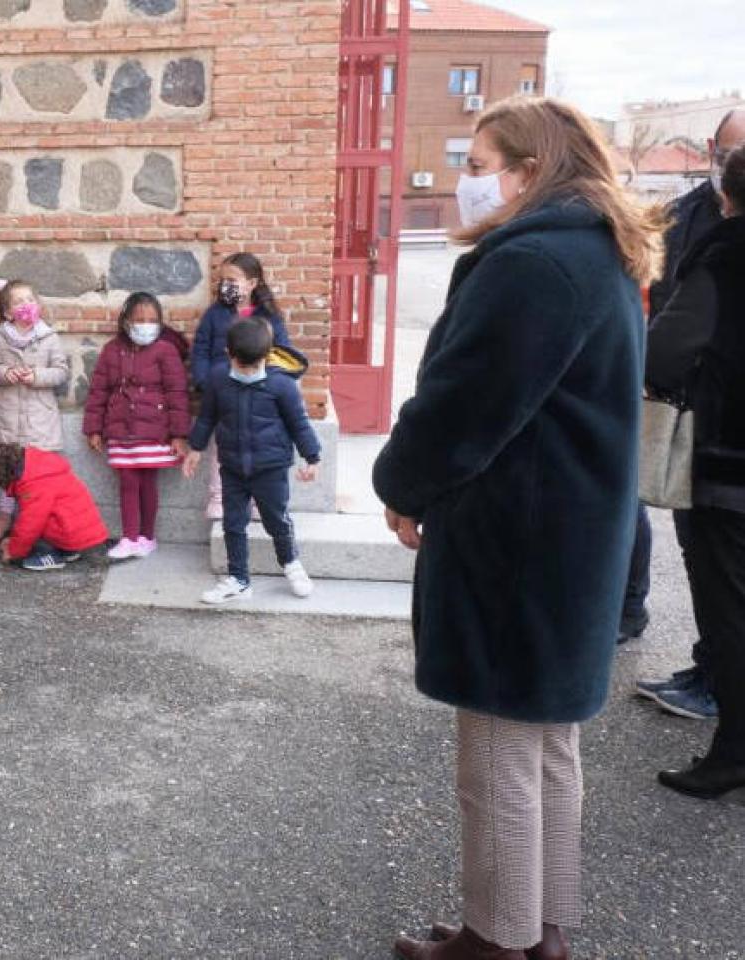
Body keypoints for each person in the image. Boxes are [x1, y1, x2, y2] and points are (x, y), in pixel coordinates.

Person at [374, 97, 663, 960]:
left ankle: (495, 942)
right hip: (565, 536)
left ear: (528, 170)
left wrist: (404, 483)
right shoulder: (592, 251)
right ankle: (540, 927)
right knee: (546, 750)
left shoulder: (533, 262)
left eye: (478, 161)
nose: (466, 180)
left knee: (499, 756)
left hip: (519, 540)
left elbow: (467, 404)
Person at [630, 109, 745, 710]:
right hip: (694, 421)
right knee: (708, 567)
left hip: (723, 438)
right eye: (730, 153)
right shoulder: (684, 215)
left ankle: (726, 709)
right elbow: (659, 291)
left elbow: (675, 341)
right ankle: (710, 670)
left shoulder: (725, 244)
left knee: (725, 576)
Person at [183, 318, 319, 603]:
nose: (249, 372)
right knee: (232, 523)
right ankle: (239, 579)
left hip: (271, 468)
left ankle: (291, 563)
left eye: (255, 366)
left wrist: (312, 456)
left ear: (266, 356)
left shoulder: (282, 384)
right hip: (232, 467)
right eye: (242, 366)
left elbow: (299, 423)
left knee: (277, 521)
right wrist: (194, 448)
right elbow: (207, 417)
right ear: (229, 355)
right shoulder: (219, 380)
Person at [84, 292, 191, 560]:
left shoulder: (166, 350)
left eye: (152, 320)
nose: (145, 325)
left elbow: (177, 393)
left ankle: (147, 537)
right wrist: (94, 429)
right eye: (139, 319)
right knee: (128, 483)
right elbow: (98, 391)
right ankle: (130, 538)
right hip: (121, 431)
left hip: (154, 432)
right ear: (126, 321)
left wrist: (179, 435)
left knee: (148, 483)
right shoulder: (112, 350)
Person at [189, 252, 292, 520]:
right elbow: (200, 349)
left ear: (252, 283)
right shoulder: (214, 314)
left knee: (257, 445)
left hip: (259, 391)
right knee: (220, 444)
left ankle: (260, 501)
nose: (226, 285)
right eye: (223, 279)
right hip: (222, 390)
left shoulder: (270, 317)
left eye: (233, 279)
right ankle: (218, 497)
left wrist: (271, 384)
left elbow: (283, 353)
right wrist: (204, 380)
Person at [0, 279, 70, 543]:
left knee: (35, 476)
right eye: (18, 302)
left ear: (38, 304)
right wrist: (6, 373)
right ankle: (3, 518)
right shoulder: (1, 337)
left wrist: (37, 375)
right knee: (8, 473)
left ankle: (33, 521)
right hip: (7, 415)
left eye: (29, 299)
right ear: (8, 312)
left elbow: (61, 371)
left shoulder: (49, 337)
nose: (26, 305)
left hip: (38, 418)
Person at [0, 443, 108, 571]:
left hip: (72, 533)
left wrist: (13, 552)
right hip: (78, 529)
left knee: (33, 530)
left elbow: (30, 524)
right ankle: (67, 551)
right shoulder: (36, 466)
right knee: (40, 520)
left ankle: (50, 556)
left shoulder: (34, 485)